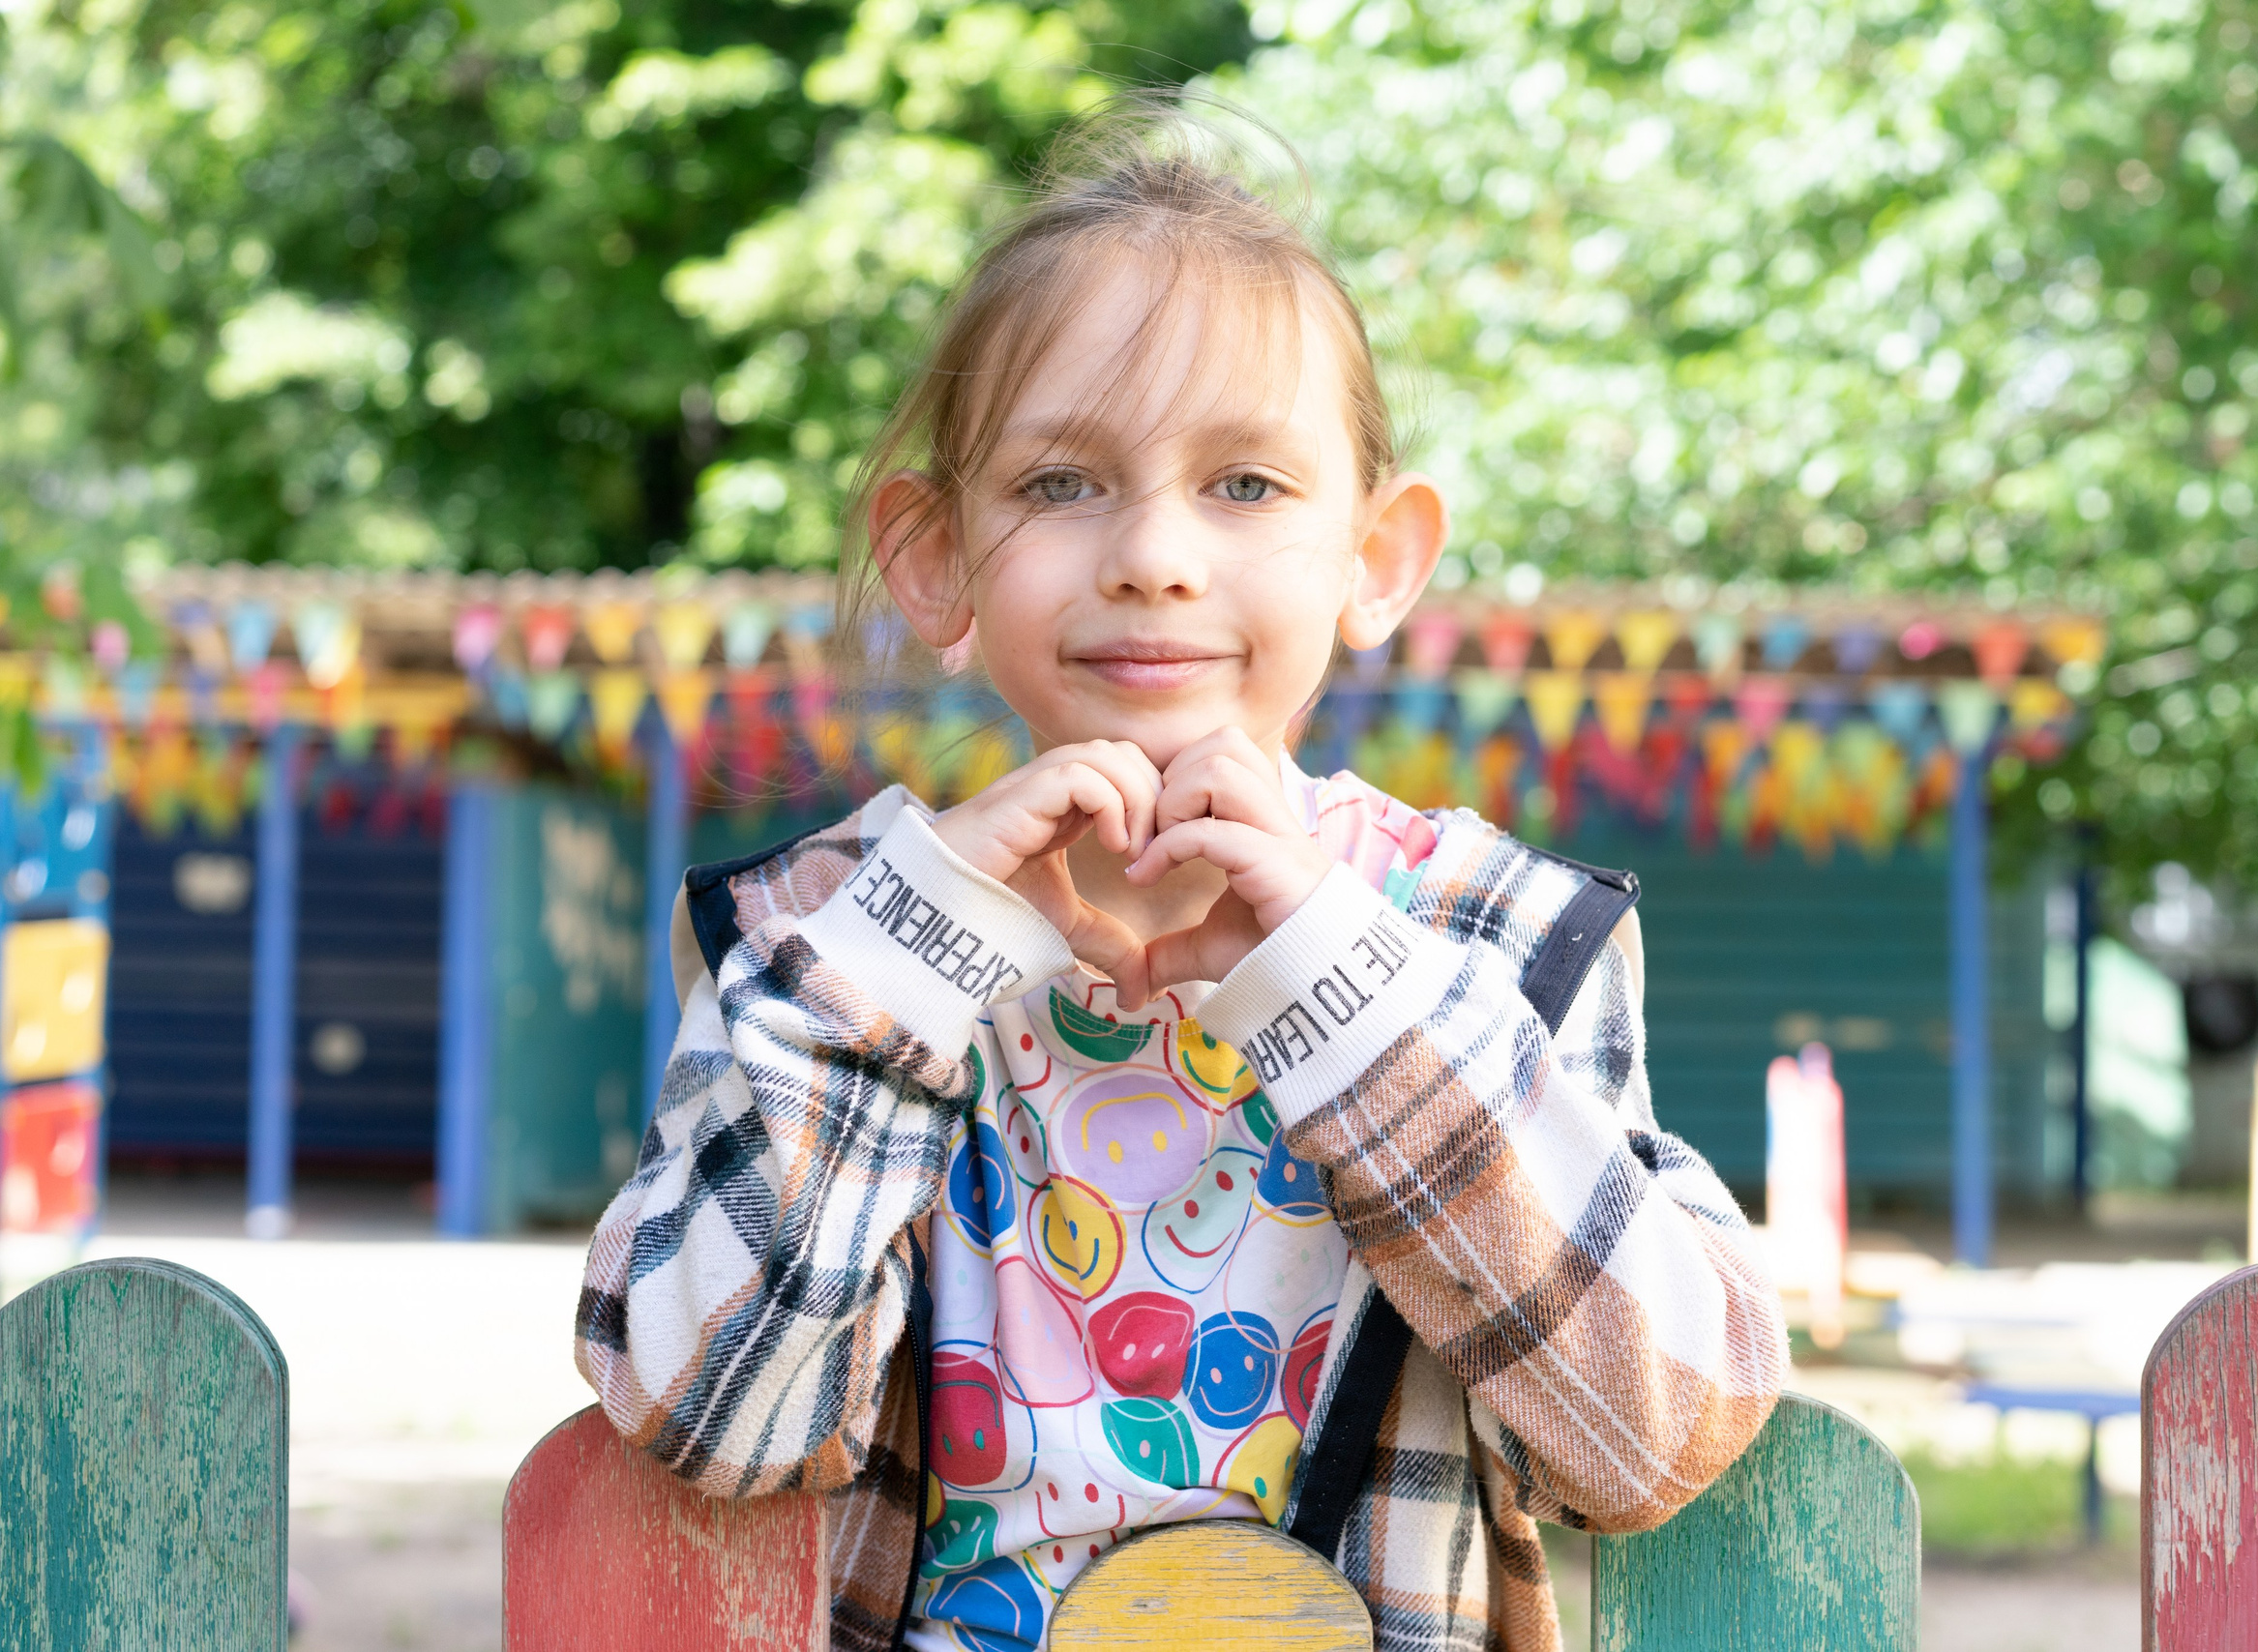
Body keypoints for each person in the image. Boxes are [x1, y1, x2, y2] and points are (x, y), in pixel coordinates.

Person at [576, 97, 1787, 1652]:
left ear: (1377, 558)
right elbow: (711, 1414)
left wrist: (1335, 987)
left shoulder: (1495, 938)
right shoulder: (823, 941)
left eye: (1247, 487)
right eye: (1062, 483)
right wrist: (909, 956)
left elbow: (1645, 1430)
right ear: (937, 558)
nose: (1153, 552)